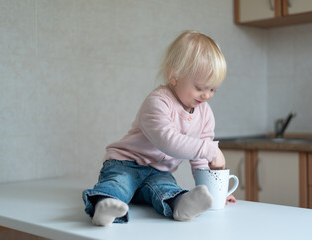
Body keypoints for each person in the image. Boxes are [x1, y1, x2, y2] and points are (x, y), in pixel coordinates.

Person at [82, 30, 236, 226]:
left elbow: (199, 160)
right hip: (126, 163)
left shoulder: (205, 113)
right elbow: (168, 141)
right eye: (200, 87)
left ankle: (181, 205)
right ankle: (104, 205)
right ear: (174, 76)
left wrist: (215, 192)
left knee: (166, 187)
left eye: (213, 89)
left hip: (159, 172)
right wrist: (211, 150)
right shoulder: (158, 101)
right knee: (119, 183)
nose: (206, 95)